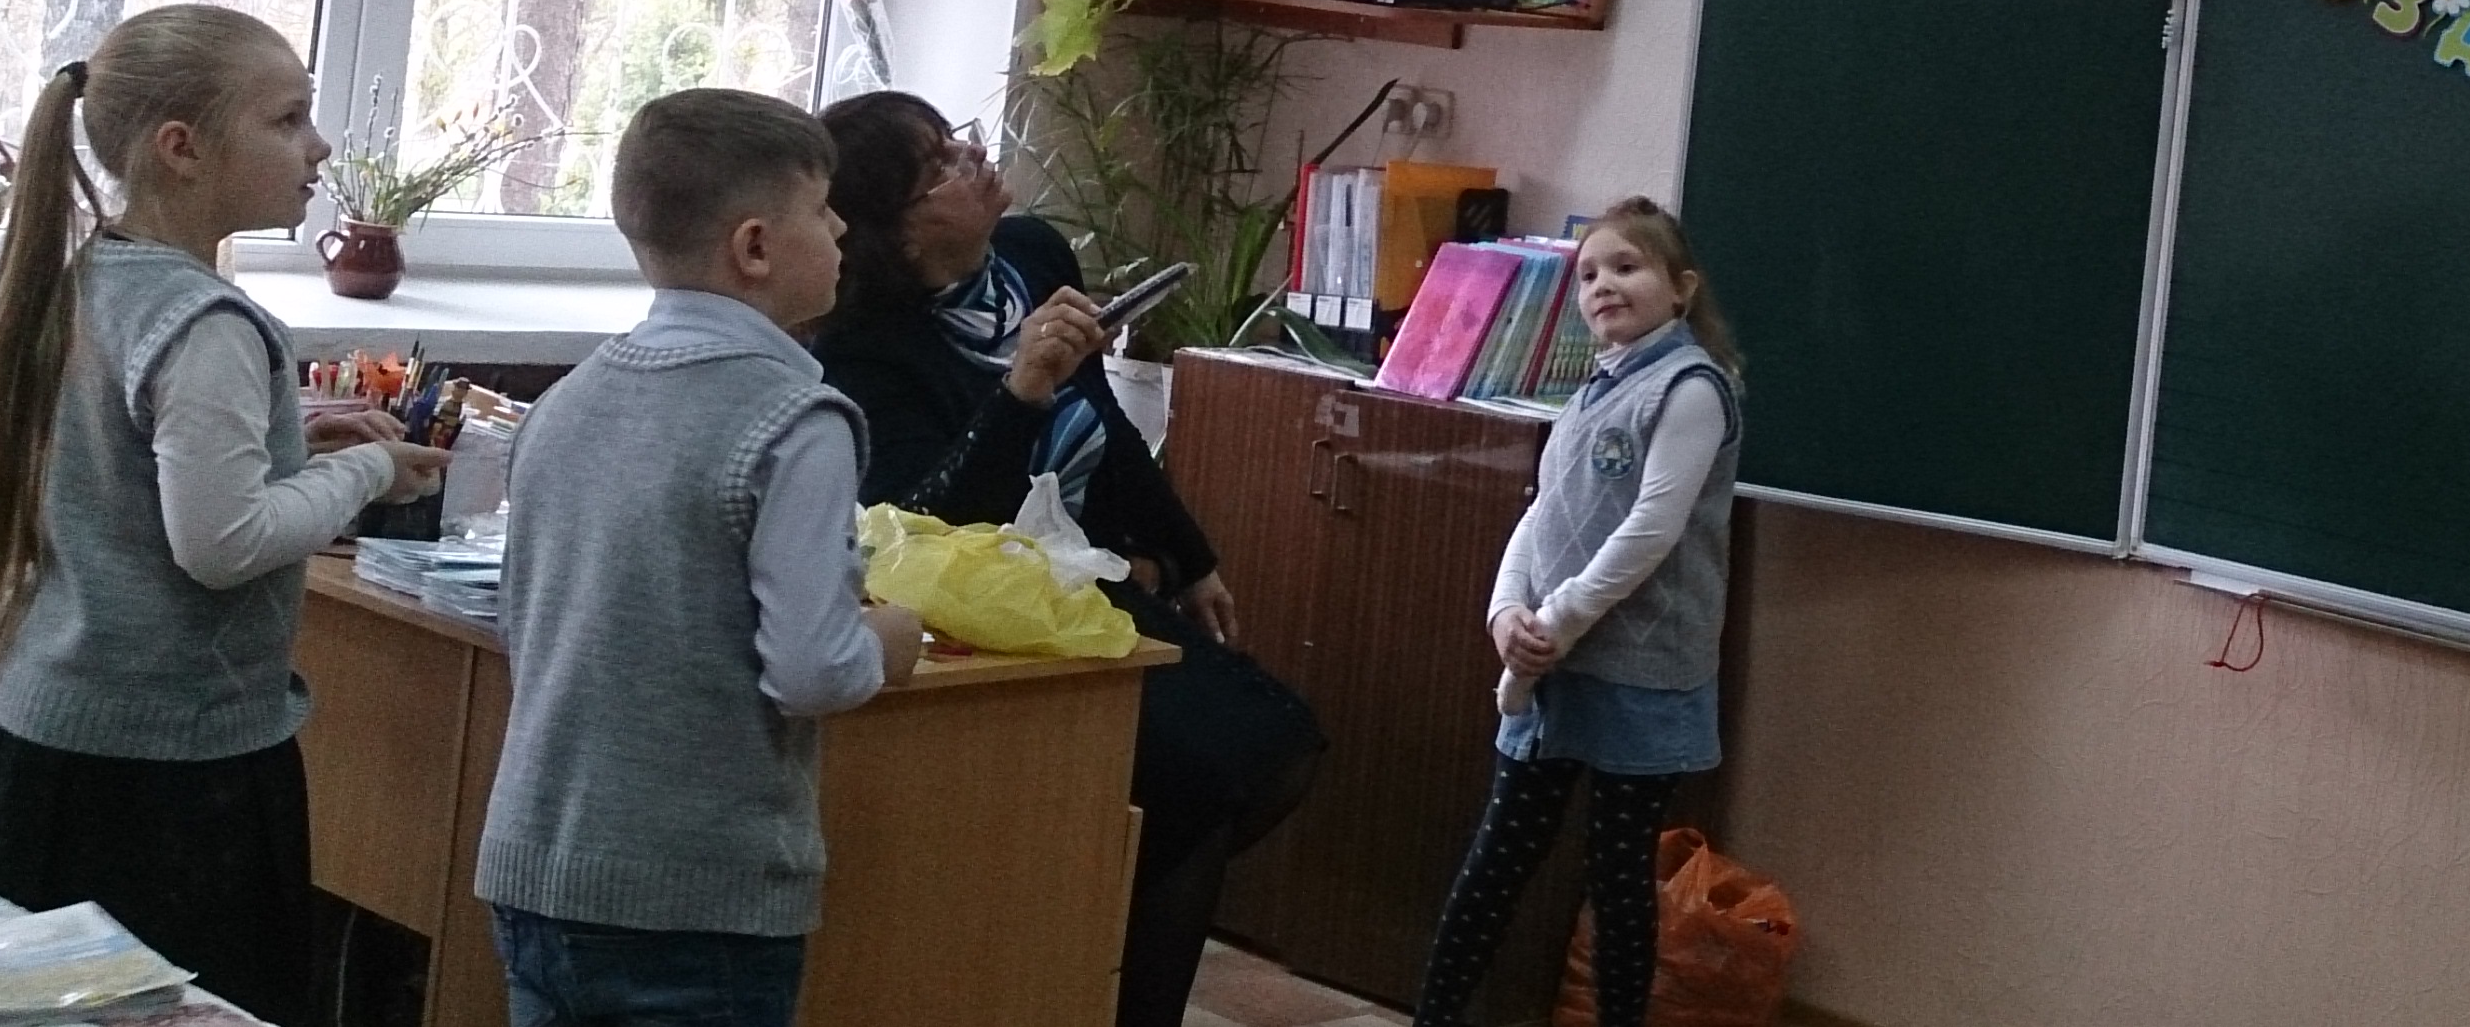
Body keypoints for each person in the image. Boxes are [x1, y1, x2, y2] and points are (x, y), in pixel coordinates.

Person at [0, 7, 446, 1025]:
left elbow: (121, 466)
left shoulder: (90, 280)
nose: (319, 147)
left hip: (30, 740)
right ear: (182, 148)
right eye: (287, 118)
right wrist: (370, 468)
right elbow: (223, 543)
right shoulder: (207, 319)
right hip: (157, 789)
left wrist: (293, 438)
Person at [809, 93, 1322, 1027]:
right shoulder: (864, 346)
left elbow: (1105, 422)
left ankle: (1082, 930)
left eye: (958, 139)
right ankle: (1078, 957)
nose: (973, 157)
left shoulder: (1033, 254)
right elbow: (923, 524)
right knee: (1196, 787)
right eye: (938, 167)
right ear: (898, 232)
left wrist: (1189, 555)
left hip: (1083, 579)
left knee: (1275, 746)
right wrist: (1019, 392)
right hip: (978, 617)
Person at [473, 89, 925, 1027]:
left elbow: (527, 622)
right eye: (821, 208)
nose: (842, 228)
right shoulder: (797, 421)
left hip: (535, 867)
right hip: (696, 899)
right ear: (754, 247)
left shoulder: (565, 403)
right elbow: (811, 669)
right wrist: (889, 642)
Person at [1406, 198, 1745, 1027]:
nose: (1603, 286)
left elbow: (1651, 529)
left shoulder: (1691, 387)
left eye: (1627, 267)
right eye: (1589, 274)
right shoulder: (1593, 388)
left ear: (1681, 287)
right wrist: (1505, 613)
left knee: (1617, 874)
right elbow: (1542, 512)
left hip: (1638, 673)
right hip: (1551, 660)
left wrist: (1552, 624)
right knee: (1499, 856)